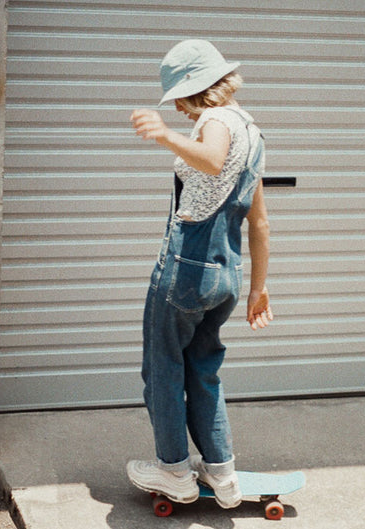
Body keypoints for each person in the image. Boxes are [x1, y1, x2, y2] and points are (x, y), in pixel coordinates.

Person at [125, 39, 273, 509]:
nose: (183, 112)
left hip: (187, 270)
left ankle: (173, 471)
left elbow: (208, 158)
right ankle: (222, 472)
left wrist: (164, 136)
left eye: (181, 100)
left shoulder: (216, 120)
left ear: (195, 91)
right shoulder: (251, 130)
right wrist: (259, 289)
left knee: (163, 370)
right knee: (203, 371)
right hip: (225, 274)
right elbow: (260, 220)